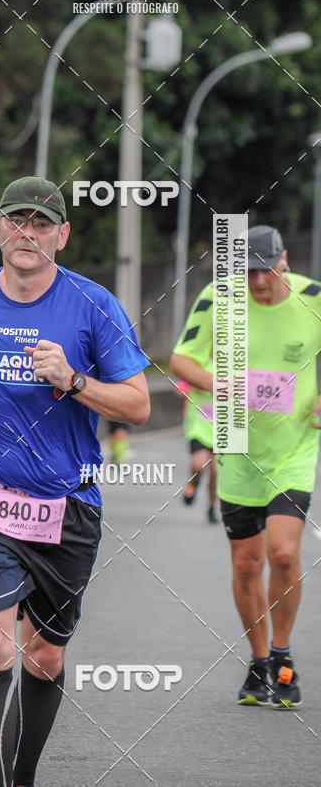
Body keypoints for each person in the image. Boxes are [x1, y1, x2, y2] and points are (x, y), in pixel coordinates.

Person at [0, 175, 150, 787]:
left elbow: (137, 404)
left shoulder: (93, 305)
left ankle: (22, 776)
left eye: (42, 224)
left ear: (63, 236)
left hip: (67, 502)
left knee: (44, 655)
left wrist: (73, 380)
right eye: (17, 221)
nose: (28, 233)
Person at [170, 225, 321, 709]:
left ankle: (282, 655)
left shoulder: (314, 298)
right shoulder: (219, 298)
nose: (257, 281)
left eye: (266, 270)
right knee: (246, 564)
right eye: (248, 272)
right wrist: (218, 383)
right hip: (235, 444)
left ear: (284, 260)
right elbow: (181, 360)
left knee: (283, 555)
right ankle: (258, 663)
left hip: (293, 449)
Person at [175, 377, 218, 522]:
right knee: (199, 466)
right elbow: (180, 390)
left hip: (221, 430)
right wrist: (197, 385)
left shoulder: (228, 370)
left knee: (216, 472)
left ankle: (212, 507)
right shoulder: (198, 369)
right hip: (198, 428)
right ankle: (193, 485)